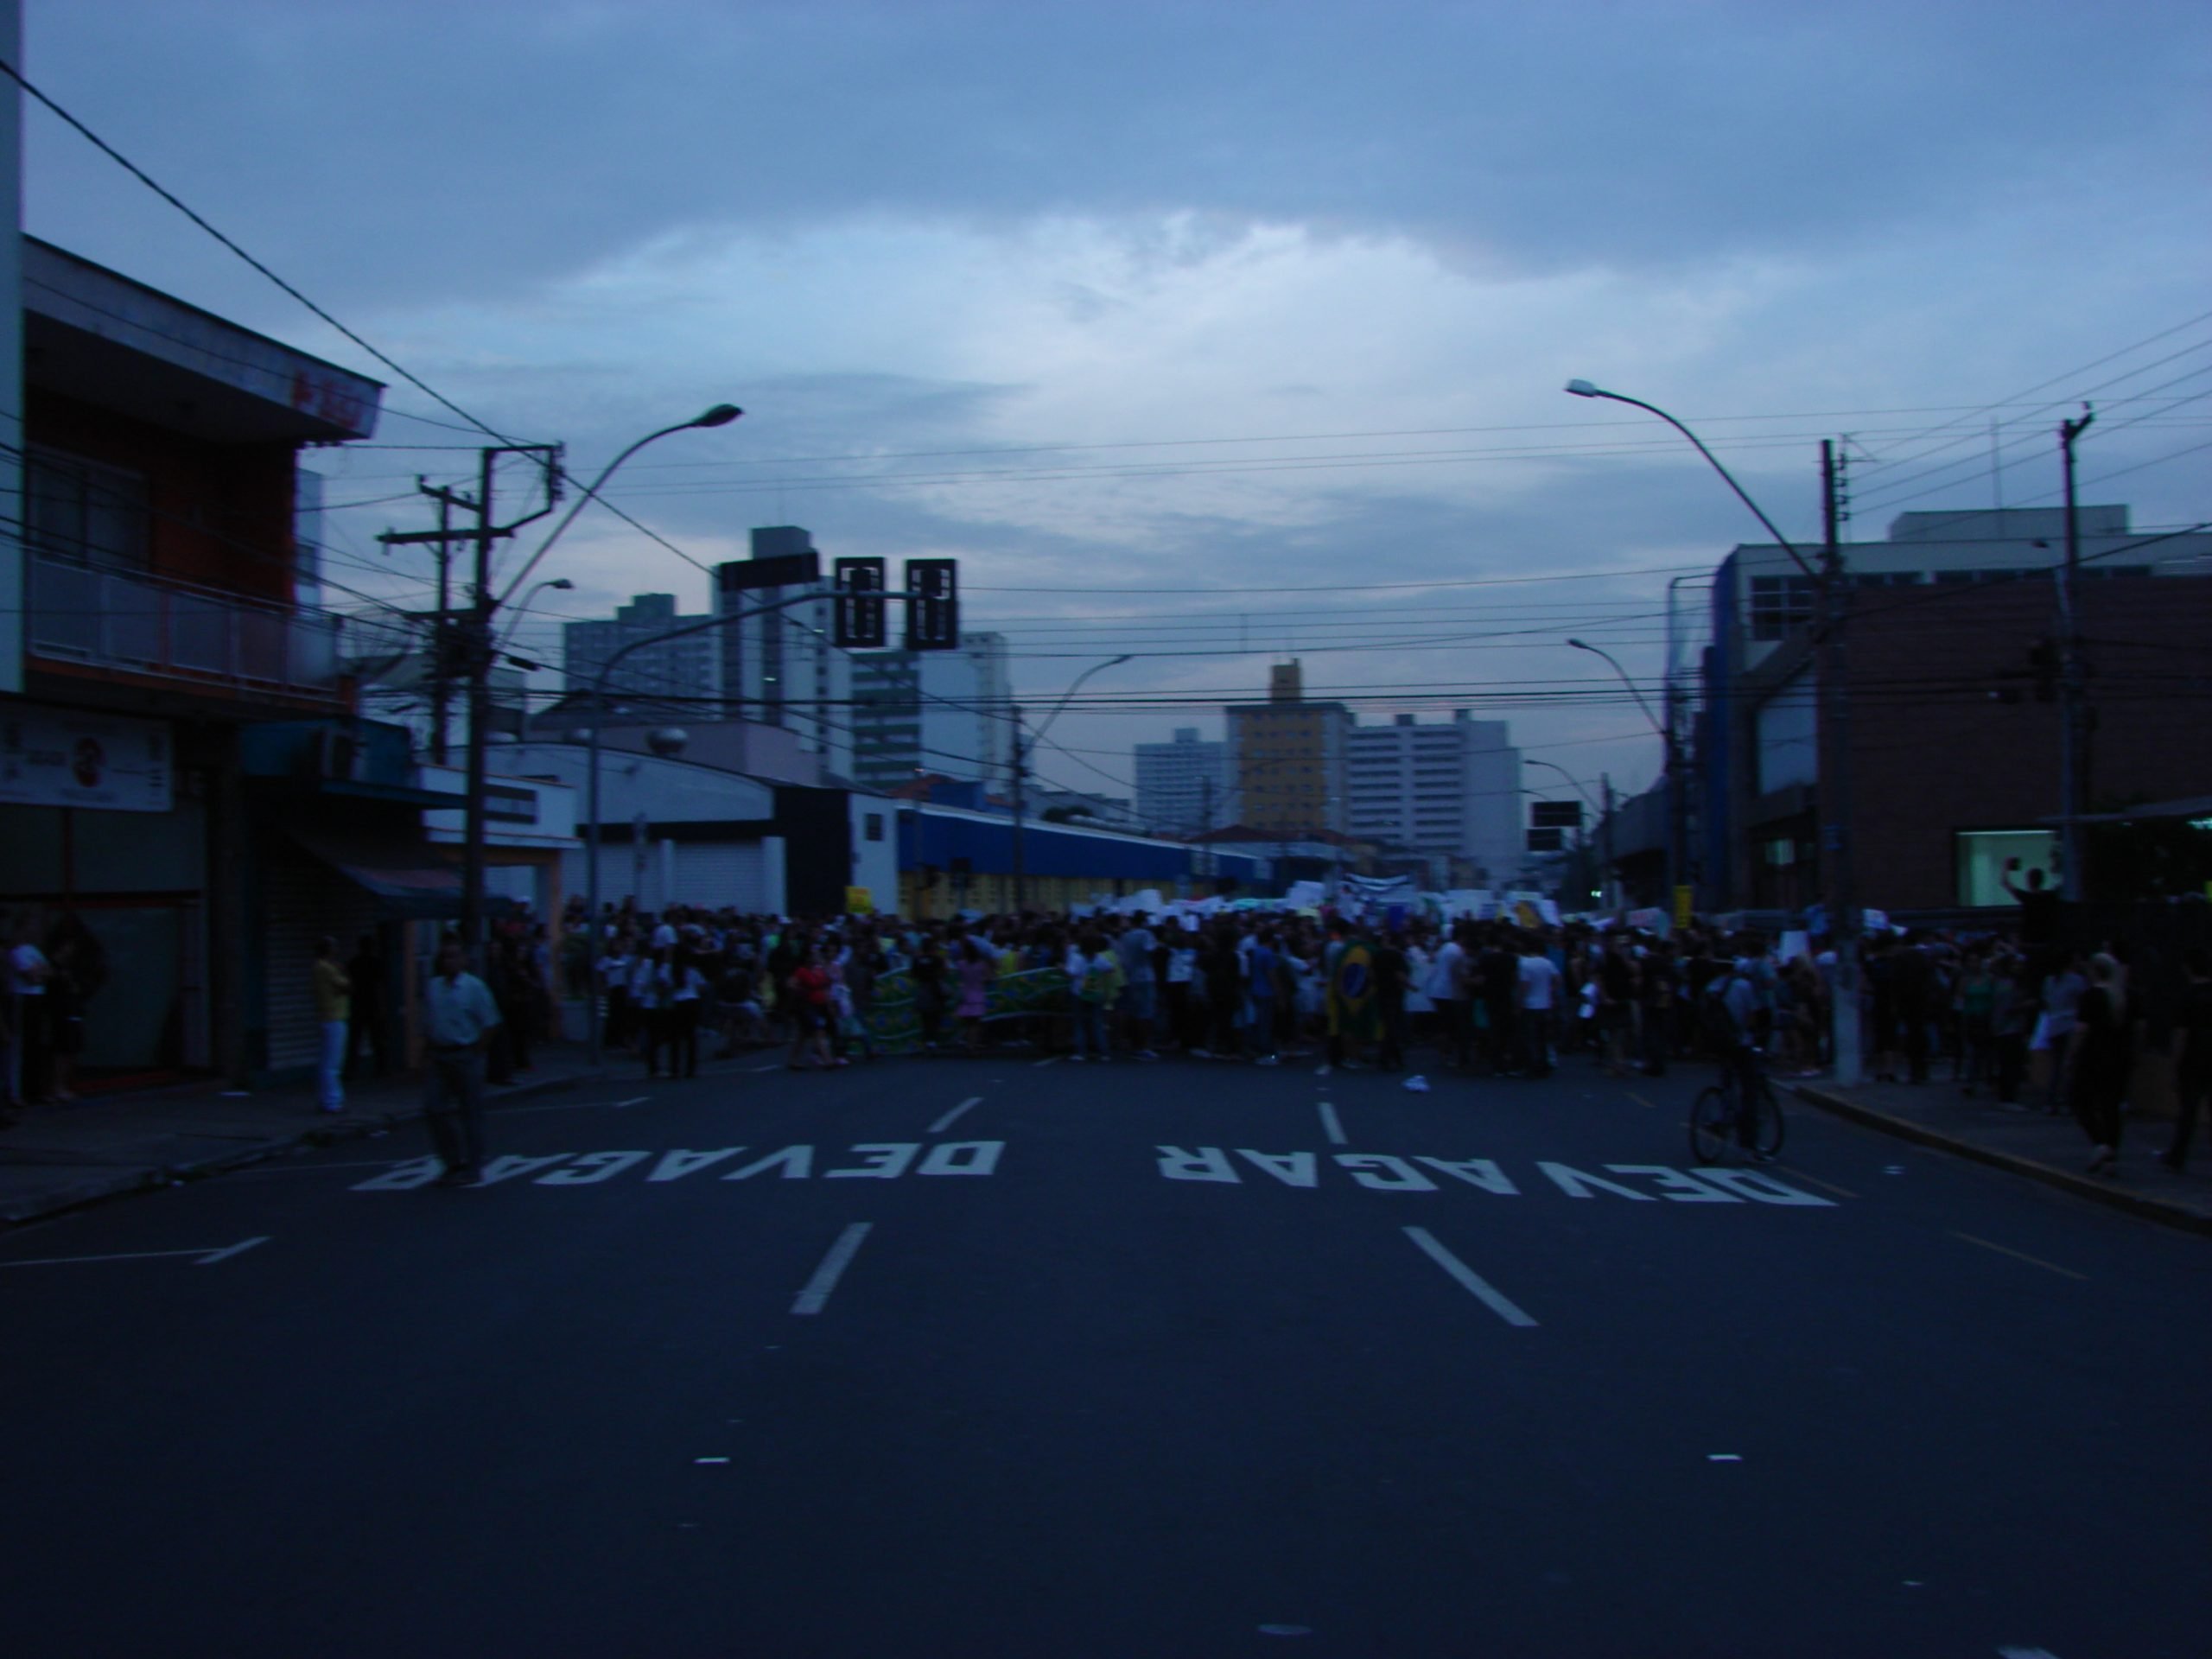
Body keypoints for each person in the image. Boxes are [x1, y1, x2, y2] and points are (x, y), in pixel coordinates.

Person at [422, 935, 502, 1186]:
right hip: (439, 1054)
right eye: (445, 956)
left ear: (464, 959)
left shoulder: (473, 987)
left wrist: (477, 1051)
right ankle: (452, 1162)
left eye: (454, 956)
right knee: (434, 1108)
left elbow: (490, 1022)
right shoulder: (434, 987)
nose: (449, 961)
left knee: (470, 1112)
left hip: (465, 1053)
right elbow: (430, 1021)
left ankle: (474, 1166)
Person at [2071, 952, 2131, 1176]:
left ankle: (2101, 1143)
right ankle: (2111, 1156)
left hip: (2092, 1056)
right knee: (2111, 1107)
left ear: (2094, 971)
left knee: (2080, 1102)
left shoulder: (2091, 996)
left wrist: (2072, 1055)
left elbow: (2081, 1030)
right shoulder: (2123, 996)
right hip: (2118, 1057)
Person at [2158, 947, 2212, 1171]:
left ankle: (2177, 1156)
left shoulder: (2187, 997)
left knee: (2188, 1111)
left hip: (2193, 1059)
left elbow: (2181, 1035)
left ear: (2188, 968)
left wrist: (2175, 1065)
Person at [344, 933, 391, 1081]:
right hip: (372, 1005)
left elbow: (349, 983)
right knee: (376, 1038)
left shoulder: (354, 963)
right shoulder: (376, 963)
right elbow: (380, 985)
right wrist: (382, 1006)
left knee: (355, 1040)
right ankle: (381, 1068)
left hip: (358, 1004)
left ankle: (351, 1069)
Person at [311, 935, 350, 1114]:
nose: (337, 950)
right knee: (332, 1064)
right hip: (334, 1017)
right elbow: (346, 986)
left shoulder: (317, 968)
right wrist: (342, 972)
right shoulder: (327, 969)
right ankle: (332, 1101)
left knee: (326, 1062)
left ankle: (325, 1099)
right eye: (334, 947)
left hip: (325, 1017)